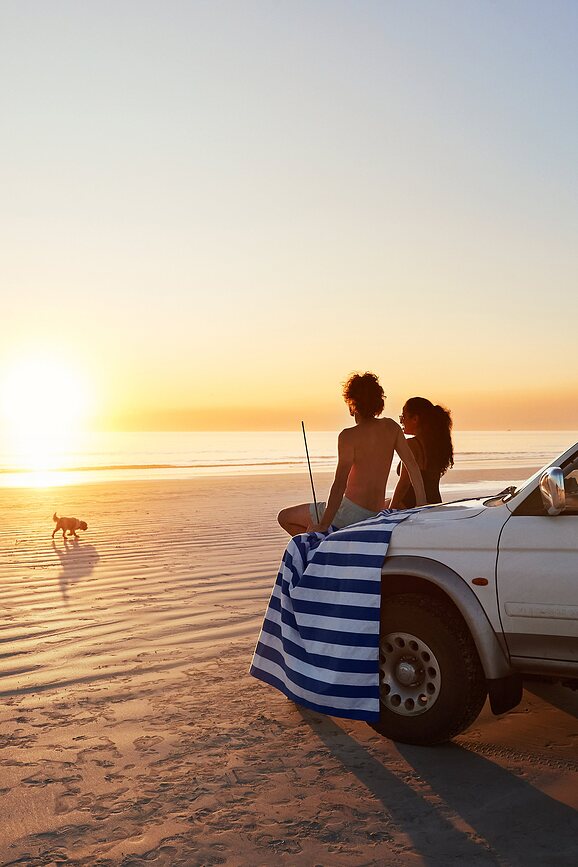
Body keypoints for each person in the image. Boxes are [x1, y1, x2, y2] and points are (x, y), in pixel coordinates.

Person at [277, 372, 426, 535]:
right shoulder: (391, 427)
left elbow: (339, 484)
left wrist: (324, 524)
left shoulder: (348, 436)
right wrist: (421, 504)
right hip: (375, 512)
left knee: (284, 517)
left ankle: (321, 547)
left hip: (348, 514)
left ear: (352, 403)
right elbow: (412, 466)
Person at [390, 396, 454, 509]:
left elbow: (404, 483)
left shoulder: (411, 445)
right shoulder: (437, 445)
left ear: (415, 419)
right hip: (435, 503)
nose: (401, 421)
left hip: (411, 505)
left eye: (403, 416)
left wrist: (390, 509)